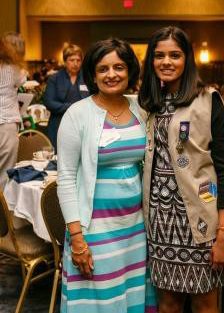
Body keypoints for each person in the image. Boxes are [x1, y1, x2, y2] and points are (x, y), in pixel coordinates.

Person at [138, 26, 224, 313]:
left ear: (187, 59)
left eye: (175, 54)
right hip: (160, 221)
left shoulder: (208, 100)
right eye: (159, 56)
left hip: (201, 220)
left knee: (205, 303)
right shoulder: (148, 104)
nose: (166, 62)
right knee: (168, 303)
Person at [57, 38, 156, 313]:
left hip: (135, 230)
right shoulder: (77, 114)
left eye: (119, 67)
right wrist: (77, 239)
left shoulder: (141, 109)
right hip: (94, 232)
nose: (111, 75)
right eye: (103, 69)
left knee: (130, 297)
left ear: (130, 71)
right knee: (99, 301)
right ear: (93, 74)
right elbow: (64, 178)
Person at [44, 43, 89, 152]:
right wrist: (74, 107)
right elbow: (49, 102)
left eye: (78, 60)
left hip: (82, 124)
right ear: (65, 61)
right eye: (72, 60)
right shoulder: (54, 78)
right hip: (58, 123)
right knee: (58, 157)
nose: (75, 63)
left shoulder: (88, 78)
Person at [0, 32, 27, 189]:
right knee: (5, 171)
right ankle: (2, 211)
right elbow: (21, 81)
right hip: (7, 122)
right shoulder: (16, 70)